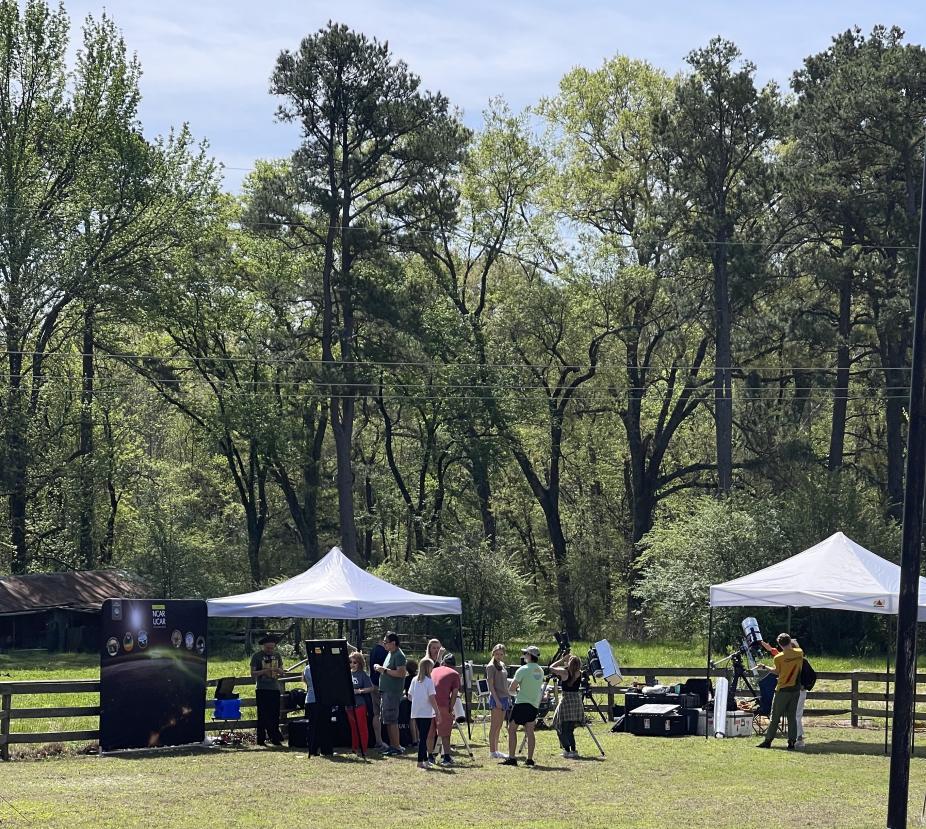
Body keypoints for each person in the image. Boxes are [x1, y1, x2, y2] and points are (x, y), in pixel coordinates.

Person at [755, 632, 804, 750]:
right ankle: (791, 742)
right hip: (795, 689)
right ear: (789, 641)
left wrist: (765, 667)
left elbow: (777, 672)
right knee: (792, 716)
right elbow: (794, 650)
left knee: (775, 716)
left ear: (779, 644)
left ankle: (768, 741)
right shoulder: (799, 653)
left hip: (782, 689)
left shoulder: (779, 658)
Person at [500, 645, 545, 768]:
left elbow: (512, 689)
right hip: (534, 704)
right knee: (530, 731)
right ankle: (529, 759)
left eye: (525, 654)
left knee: (512, 729)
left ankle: (512, 758)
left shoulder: (522, 669)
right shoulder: (540, 670)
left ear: (530, 656)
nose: (524, 656)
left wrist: (516, 692)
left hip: (521, 703)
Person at [373, 631, 407, 755]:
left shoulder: (399, 655)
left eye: (386, 642)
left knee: (392, 720)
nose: (384, 644)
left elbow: (401, 673)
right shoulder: (390, 653)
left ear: (393, 643)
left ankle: (397, 747)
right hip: (386, 692)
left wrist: (384, 670)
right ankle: (393, 745)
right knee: (387, 719)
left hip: (392, 692)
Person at [249, 635, 284, 746]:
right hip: (262, 688)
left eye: (272, 648)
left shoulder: (277, 655)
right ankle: (261, 738)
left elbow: (283, 672)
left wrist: (279, 670)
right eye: (268, 648)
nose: (270, 650)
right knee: (263, 714)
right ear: (263, 647)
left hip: (274, 688)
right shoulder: (257, 656)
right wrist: (265, 671)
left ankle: (275, 737)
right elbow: (253, 673)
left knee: (275, 714)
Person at [408, 657, 440, 769]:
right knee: (423, 737)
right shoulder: (429, 681)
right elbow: (432, 698)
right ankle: (420, 761)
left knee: (422, 736)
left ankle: (425, 760)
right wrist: (437, 711)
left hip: (416, 711)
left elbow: (410, 696)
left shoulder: (414, 680)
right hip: (426, 712)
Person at [430, 652, 462, 766]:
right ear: (454, 665)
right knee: (445, 733)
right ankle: (446, 757)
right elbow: (454, 694)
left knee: (430, 732)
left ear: (443, 662)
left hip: (429, 704)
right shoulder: (454, 674)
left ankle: (430, 757)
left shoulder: (434, 670)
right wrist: (450, 708)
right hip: (443, 704)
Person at [550, 654, 583, 758]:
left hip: (566, 701)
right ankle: (573, 750)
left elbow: (551, 667)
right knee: (570, 729)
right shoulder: (579, 673)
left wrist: (563, 659)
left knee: (561, 726)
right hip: (576, 701)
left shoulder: (564, 672)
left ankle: (567, 750)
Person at [486, 643, 511, 759]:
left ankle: (496, 750)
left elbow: (504, 682)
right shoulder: (490, 666)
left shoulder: (502, 664)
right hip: (497, 698)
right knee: (494, 725)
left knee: (500, 725)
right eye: (496, 654)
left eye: (501, 654)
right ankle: (492, 751)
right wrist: (497, 700)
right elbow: (490, 686)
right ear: (493, 653)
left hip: (505, 697)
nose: (499, 656)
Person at [347, 652, 374, 755]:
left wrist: (359, 691)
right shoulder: (347, 673)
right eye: (350, 662)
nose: (352, 664)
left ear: (359, 663)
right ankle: (355, 747)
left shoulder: (363, 674)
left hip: (360, 704)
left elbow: (371, 688)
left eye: (355, 662)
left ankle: (364, 748)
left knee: (361, 727)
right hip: (349, 704)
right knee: (353, 727)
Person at [368, 637, 389, 751]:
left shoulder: (373, 650)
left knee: (376, 714)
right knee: (380, 714)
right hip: (381, 685)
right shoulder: (384, 652)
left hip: (372, 683)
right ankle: (381, 741)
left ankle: (378, 740)